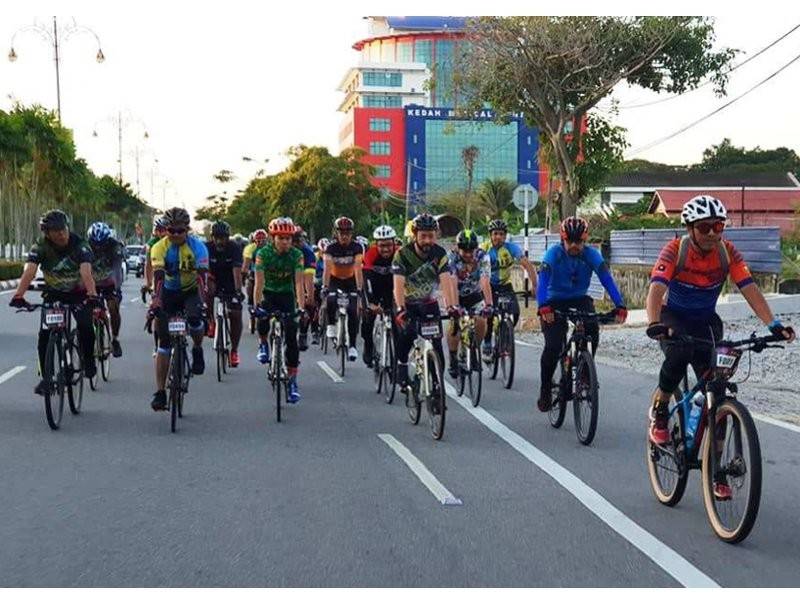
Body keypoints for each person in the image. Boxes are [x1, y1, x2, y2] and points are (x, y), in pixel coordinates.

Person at [645, 195, 795, 496]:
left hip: (707, 321)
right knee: (679, 354)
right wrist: (654, 323)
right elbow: (656, 289)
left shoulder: (728, 253)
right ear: (690, 228)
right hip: (674, 316)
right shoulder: (675, 250)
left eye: (718, 226)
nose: (713, 233)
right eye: (705, 227)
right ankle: (661, 411)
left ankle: (717, 473)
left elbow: (749, 289)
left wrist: (773, 325)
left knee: (718, 389)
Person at [536, 217, 627, 411]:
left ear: (585, 241)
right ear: (563, 239)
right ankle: (545, 389)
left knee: (592, 327)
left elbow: (606, 279)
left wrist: (620, 305)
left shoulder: (592, 255)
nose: (575, 246)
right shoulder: (553, 254)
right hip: (553, 300)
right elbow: (542, 280)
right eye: (571, 242)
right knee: (553, 345)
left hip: (579, 298)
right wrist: (543, 306)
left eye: (580, 242)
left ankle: (585, 371)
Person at [10, 210, 98, 394]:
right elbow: (30, 272)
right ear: (47, 233)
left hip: (79, 293)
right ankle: (46, 378)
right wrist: (18, 295)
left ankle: (89, 360)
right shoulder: (40, 246)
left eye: (63, 229)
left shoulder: (80, 245)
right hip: (53, 293)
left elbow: (86, 272)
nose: (61, 234)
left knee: (86, 326)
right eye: (56, 230)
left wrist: (92, 295)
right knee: (44, 335)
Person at [147, 207, 210, 411]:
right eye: (171, 230)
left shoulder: (198, 247)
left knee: (194, 319)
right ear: (165, 230)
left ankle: (197, 348)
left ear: (187, 230)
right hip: (168, 291)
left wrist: (203, 302)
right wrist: (156, 300)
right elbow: (157, 278)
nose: (175, 235)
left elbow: (202, 279)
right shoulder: (158, 248)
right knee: (163, 343)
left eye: (180, 231)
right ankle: (160, 392)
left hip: (191, 290)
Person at [392, 213, 458, 391]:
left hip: (429, 303)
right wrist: (400, 309)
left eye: (431, 236)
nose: (428, 240)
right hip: (408, 303)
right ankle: (402, 365)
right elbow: (398, 285)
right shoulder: (402, 254)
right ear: (415, 235)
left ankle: (437, 385)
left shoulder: (440, 253)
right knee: (407, 335)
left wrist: (451, 307)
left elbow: (446, 281)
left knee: (437, 346)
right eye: (423, 236)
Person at [253, 217, 306, 403]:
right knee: (263, 318)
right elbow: (258, 282)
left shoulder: (297, 254)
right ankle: (263, 343)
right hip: (268, 293)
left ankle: (292, 380)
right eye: (281, 238)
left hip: (286, 295)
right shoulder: (263, 253)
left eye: (289, 239)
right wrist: (256, 305)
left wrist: (301, 307)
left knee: (292, 336)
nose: (285, 242)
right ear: (272, 238)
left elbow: (299, 283)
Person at [480, 219, 538, 359]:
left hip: (505, 284)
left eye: (501, 234)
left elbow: (527, 265)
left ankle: (505, 336)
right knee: (489, 314)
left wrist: (535, 285)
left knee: (516, 312)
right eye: (495, 234)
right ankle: (487, 341)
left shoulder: (511, 248)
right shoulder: (484, 248)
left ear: (505, 236)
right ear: (490, 235)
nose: (498, 237)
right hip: (489, 285)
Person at [446, 229, 494, 379]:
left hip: (474, 294)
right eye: (464, 250)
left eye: (470, 250)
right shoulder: (452, 257)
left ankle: (473, 350)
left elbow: (485, 281)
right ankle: (453, 358)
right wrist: (454, 307)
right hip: (455, 294)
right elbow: (452, 282)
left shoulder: (482, 256)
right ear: (457, 248)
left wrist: (489, 305)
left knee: (481, 321)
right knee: (455, 324)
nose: (467, 254)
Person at [322, 216, 365, 362]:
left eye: (347, 232)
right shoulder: (331, 248)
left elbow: (358, 268)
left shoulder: (357, 247)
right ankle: (331, 325)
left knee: (353, 310)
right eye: (341, 232)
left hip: (351, 280)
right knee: (331, 299)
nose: (345, 236)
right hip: (335, 280)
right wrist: (325, 287)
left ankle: (352, 346)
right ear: (336, 233)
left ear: (351, 233)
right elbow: (327, 268)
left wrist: (359, 288)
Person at [205, 220, 244, 367]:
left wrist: (238, 291)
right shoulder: (207, 248)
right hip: (213, 278)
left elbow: (237, 273)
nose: (219, 241)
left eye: (223, 237)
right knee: (208, 289)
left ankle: (234, 350)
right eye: (216, 237)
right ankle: (211, 321)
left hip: (230, 282)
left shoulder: (234, 248)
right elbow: (203, 271)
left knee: (235, 314)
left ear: (228, 238)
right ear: (212, 237)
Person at [361, 224, 398, 366]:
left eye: (389, 245)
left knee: (397, 322)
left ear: (394, 243)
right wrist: (370, 303)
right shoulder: (370, 254)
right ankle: (368, 345)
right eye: (382, 246)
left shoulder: (399, 254)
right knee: (368, 317)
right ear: (376, 245)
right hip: (374, 286)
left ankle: (397, 358)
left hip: (391, 287)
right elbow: (366, 279)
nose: (386, 249)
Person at [87, 221, 125, 357]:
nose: (97, 247)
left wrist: (115, 285)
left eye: (101, 244)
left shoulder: (115, 247)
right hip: (92, 281)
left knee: (113, 307)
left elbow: (117, 269)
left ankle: (115, 339)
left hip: (110, 281)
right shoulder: (85, 247)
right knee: (86, 309)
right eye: (94, 244)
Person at [292, 226, 318, 351]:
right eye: (295, 240)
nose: (298, 243)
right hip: (284, 279)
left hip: (301, 278)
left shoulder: (308, 252)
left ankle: (303, 333)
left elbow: (308, 278)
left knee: (309, 304)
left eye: (300, 239)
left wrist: (310, 295)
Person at [142, 215, 167, 301]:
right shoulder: (152, 244)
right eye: (161, 230)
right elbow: (148, 264)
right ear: (157, 231)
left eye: (166, 230)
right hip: (158, 273)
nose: (164, 234)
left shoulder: (175, 241)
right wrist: (148, 283)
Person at [310, 237, 330, 345]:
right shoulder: (315, 258)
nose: (324, 254)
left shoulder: (331, 257)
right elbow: (311, 272)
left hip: (328, 283)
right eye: (323, 252)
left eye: (326, 252)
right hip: (316, 282)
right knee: (314, 308)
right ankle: (314, 332)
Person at [242, 229, 268, 309]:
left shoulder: (271, 248)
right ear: (254, 241)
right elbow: (246, 265)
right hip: (254, 272)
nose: (261, 243)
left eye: (263, 241)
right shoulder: (250, 248)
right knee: (251, 286)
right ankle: (251, 304)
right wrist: (243, 276)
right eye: (258, 241)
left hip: (268, 272)